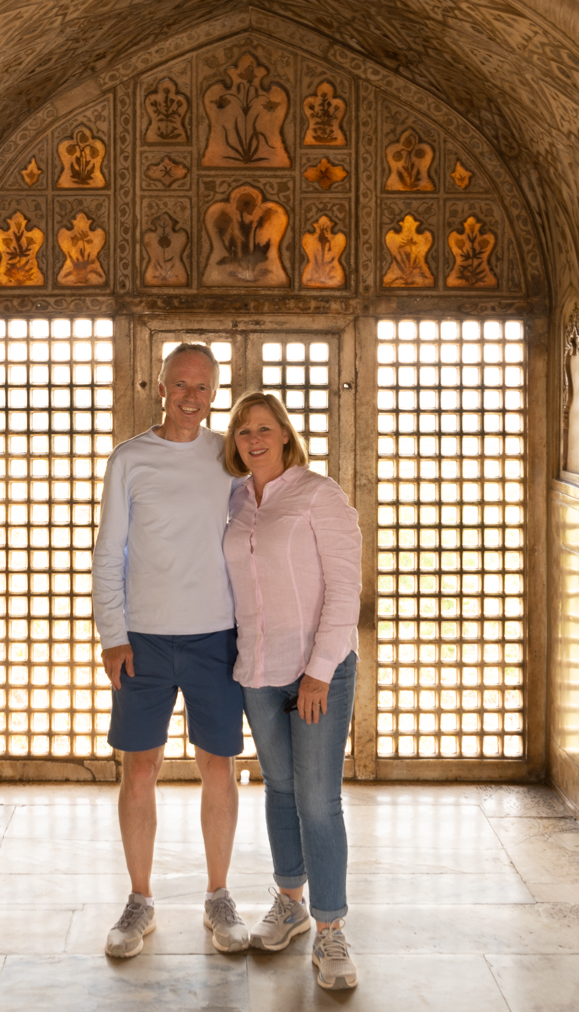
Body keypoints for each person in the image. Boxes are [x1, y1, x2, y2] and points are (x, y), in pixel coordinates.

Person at [92, 343, 251, 957]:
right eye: (180, 384)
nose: (191, 396)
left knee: (219, 766)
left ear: (216, 393)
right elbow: (110, 552)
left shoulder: (228, 455)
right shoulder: (129, 460)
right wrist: (114, 634)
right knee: (140, 767)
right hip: (146, 641)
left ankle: (218, 896)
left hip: (216, 636)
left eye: (203, 387)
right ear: (161, 387)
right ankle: (139, 901)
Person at [222, 391, 362, 990]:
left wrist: (319, 670)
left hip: (317, 672)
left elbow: (345, 589)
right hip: (257, 668)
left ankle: (331, 930)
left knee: (317, 800)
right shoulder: (235, 500)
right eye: (242, 431)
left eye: (263, 428)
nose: (252, 439)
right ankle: (290, 903)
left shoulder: (319, 495)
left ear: (284, 433)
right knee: (278, 788)